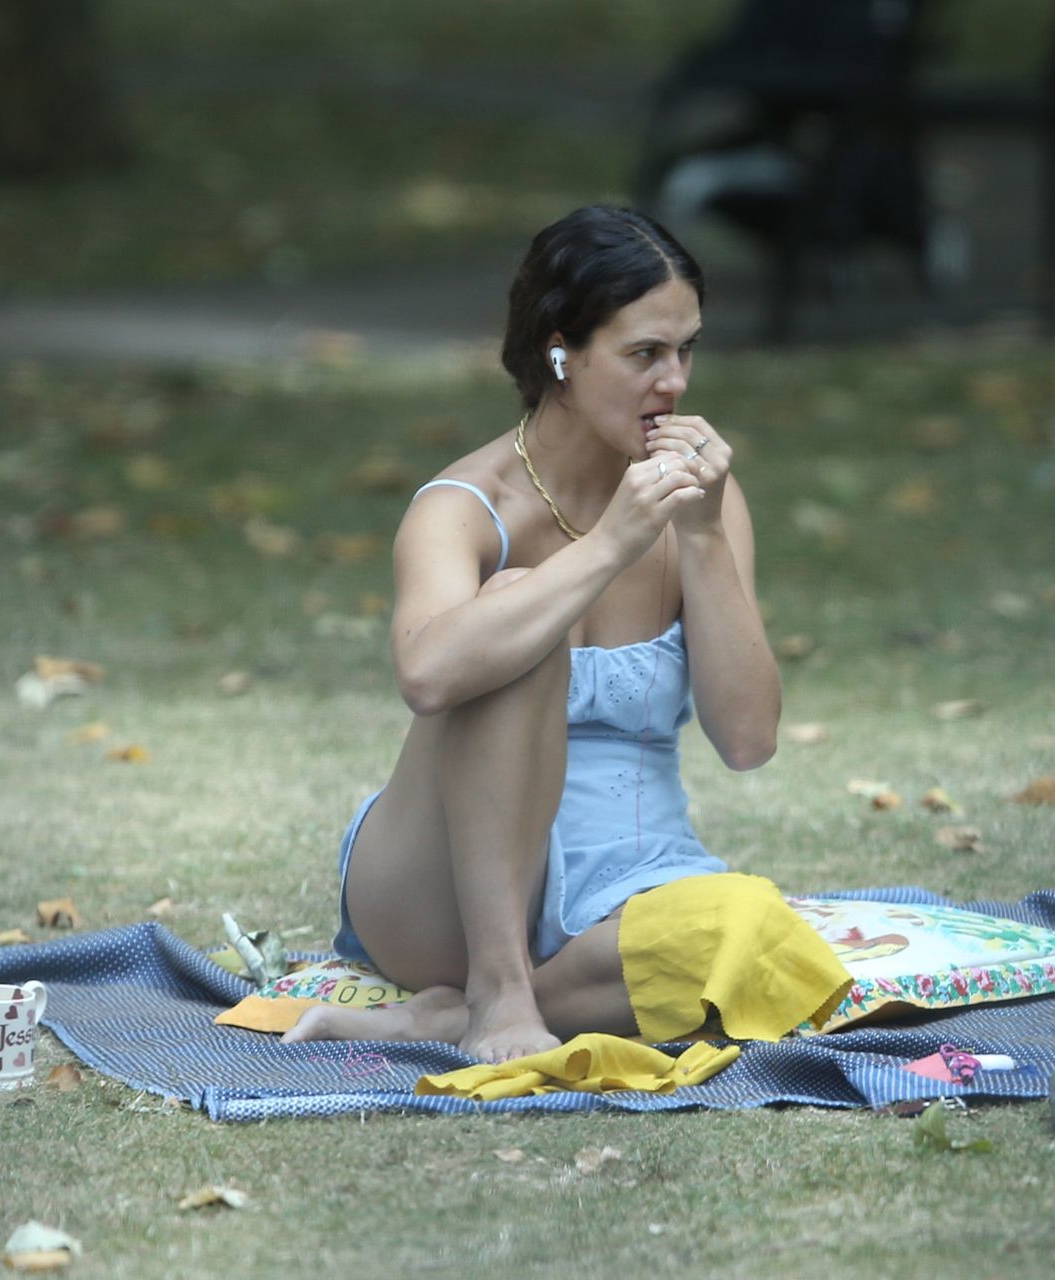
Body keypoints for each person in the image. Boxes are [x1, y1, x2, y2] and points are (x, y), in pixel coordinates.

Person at [283, 207, 781, 1063]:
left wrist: (700, 538)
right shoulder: (463, 506)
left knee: (750, 932)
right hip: (441, 888)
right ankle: (497, 983)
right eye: (644, 354)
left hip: (630, 880)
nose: (674, 383)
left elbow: (748, 740)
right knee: (515, 611)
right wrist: (609, 546)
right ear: (560, 356)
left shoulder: (699, 501)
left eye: (686, 350)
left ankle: (456, 1015)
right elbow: (427, 674)